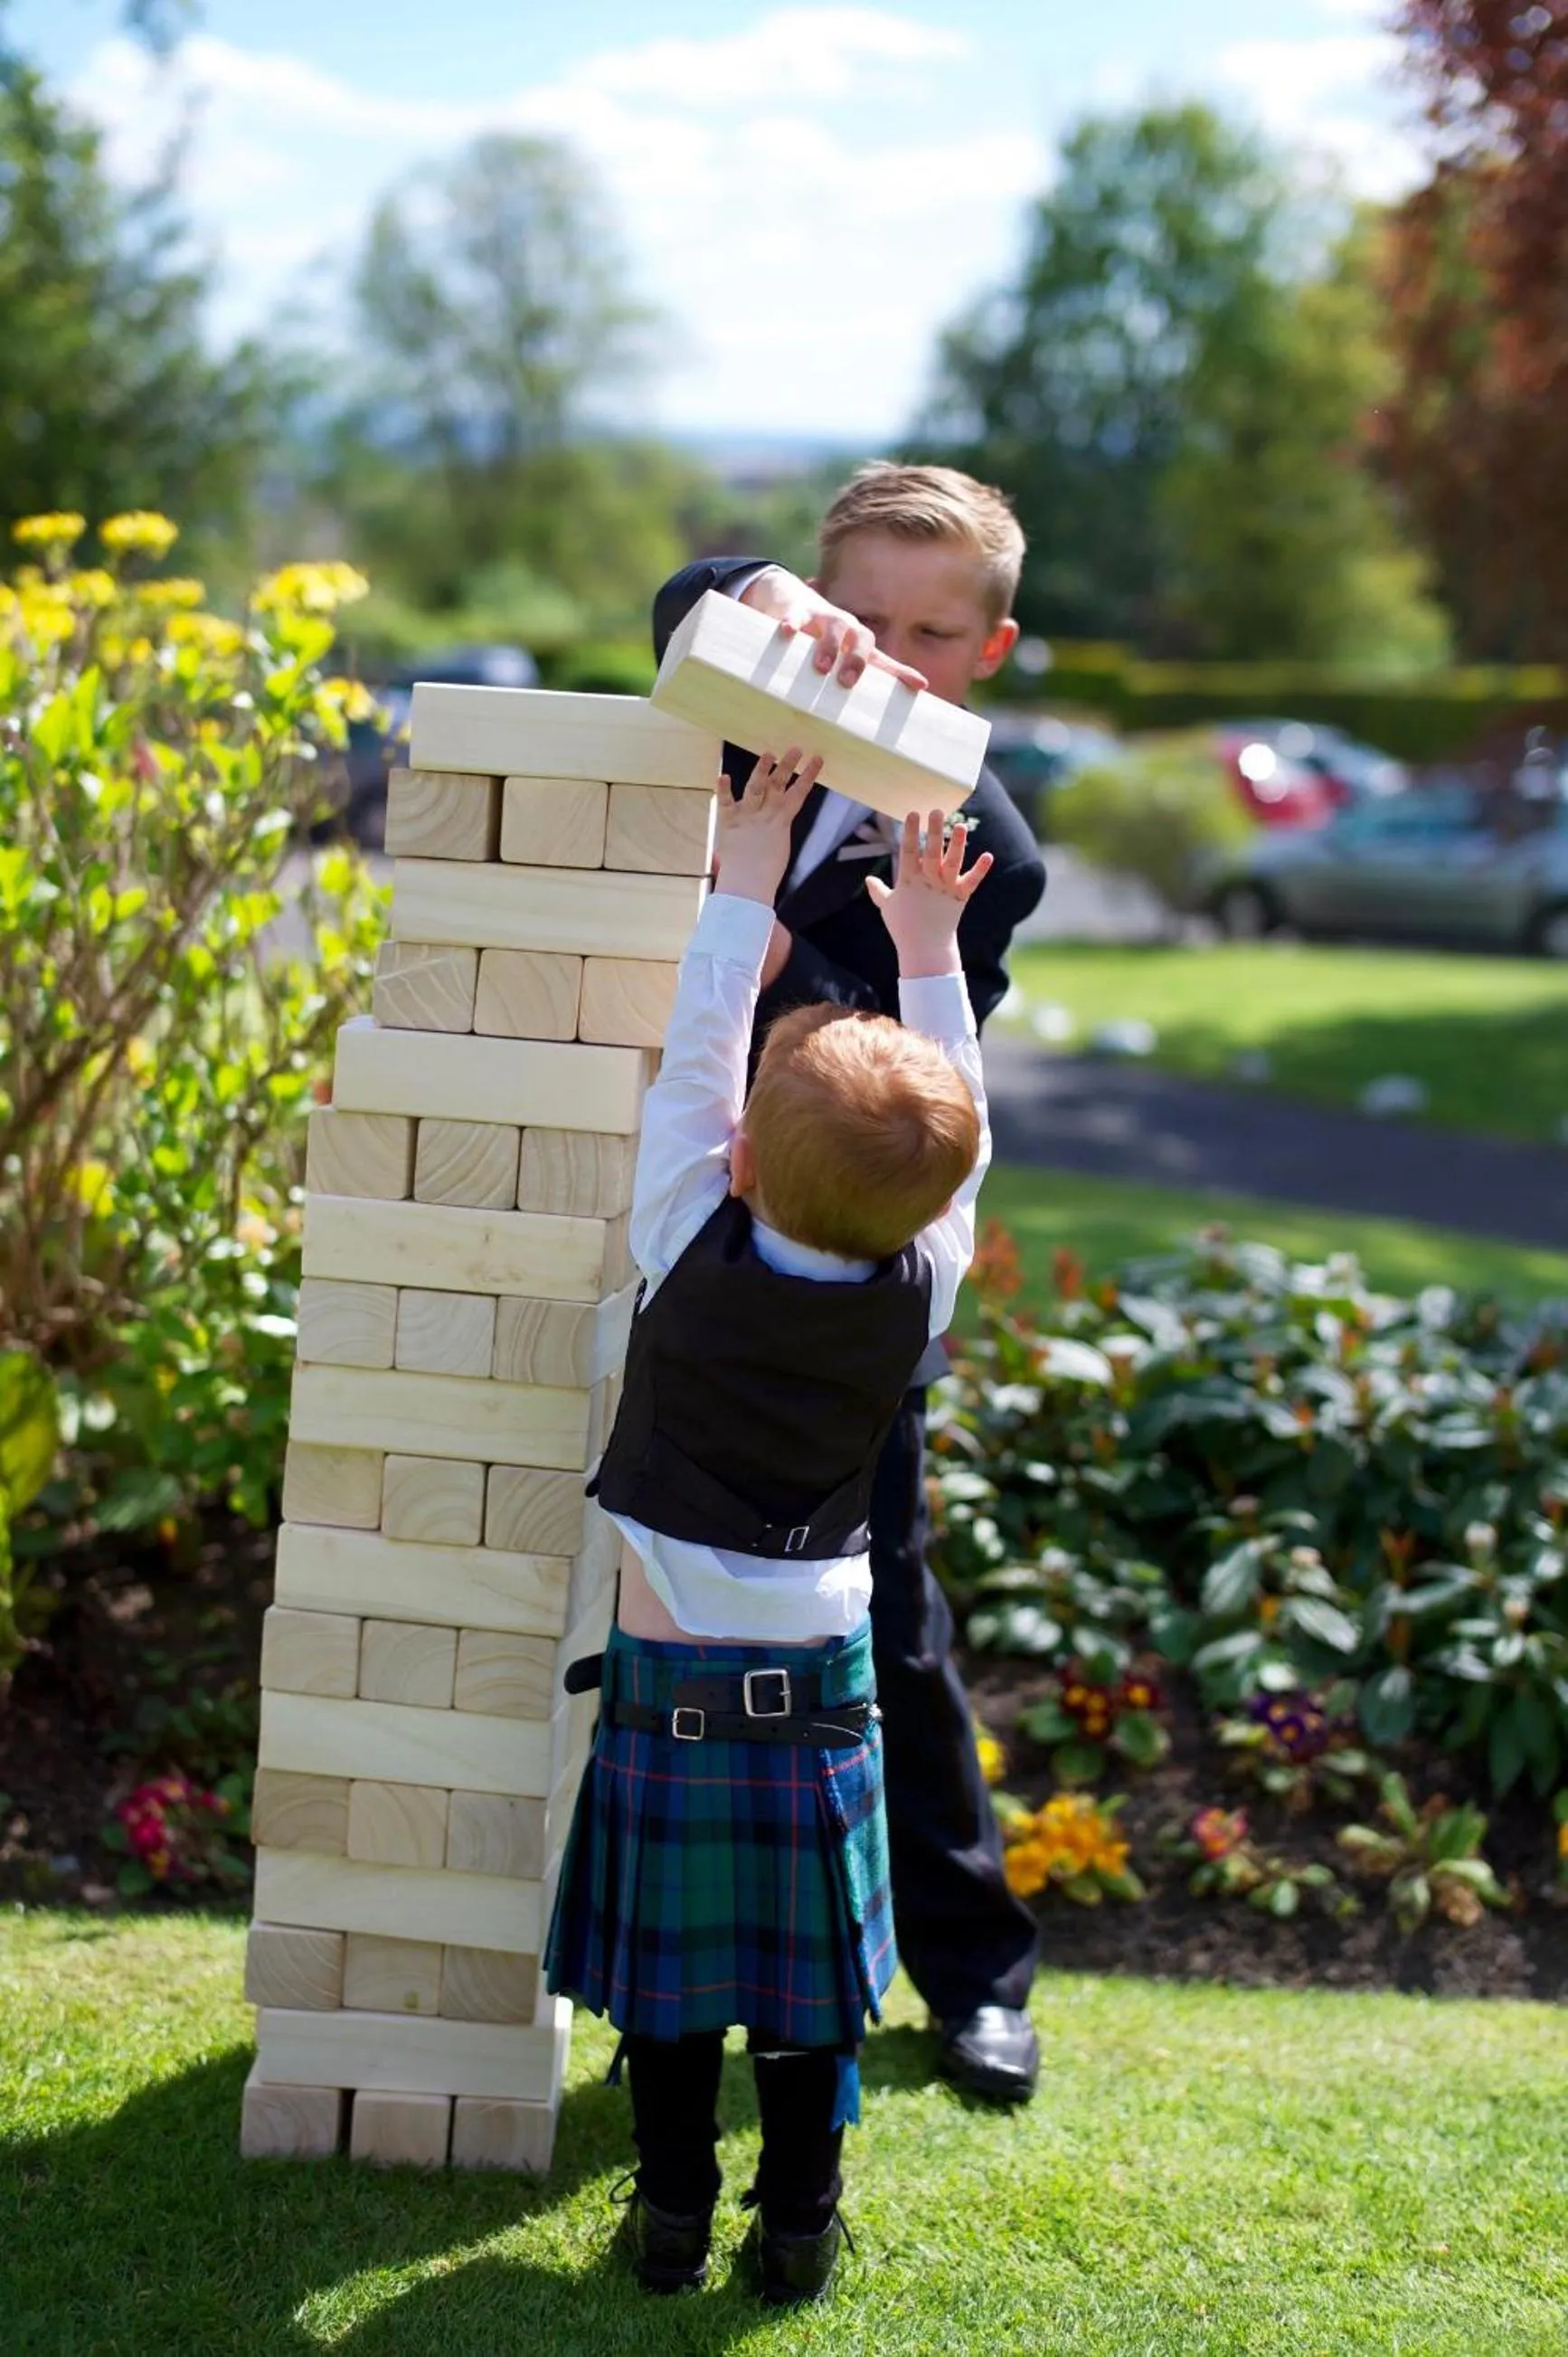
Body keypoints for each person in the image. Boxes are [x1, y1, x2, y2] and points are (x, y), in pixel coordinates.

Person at [543, 750, 994, 2305]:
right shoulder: (921, 1287)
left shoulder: (683, 1229)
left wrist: (747, 859)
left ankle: (671, 2217)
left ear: (738, 1159)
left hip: (670, 1699)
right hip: (826, 1703)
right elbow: (962, 1140)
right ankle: (794, 2225)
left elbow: (692, 1050)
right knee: (807, 2006)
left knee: (668, 2005)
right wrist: (932, 948)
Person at [650, 464, 1047, 2106]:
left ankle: (971, 1973)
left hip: (831, 1290)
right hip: (662, 1234)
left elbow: (900, 1082)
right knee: (641, 1597)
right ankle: (651, 1945)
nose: (889, 658)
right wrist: (752, 597)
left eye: (930, 634)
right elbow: (683, 601)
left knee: (887, 1619)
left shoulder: (986, 855)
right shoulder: (742, 721)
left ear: (990, 654)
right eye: (858, 616)